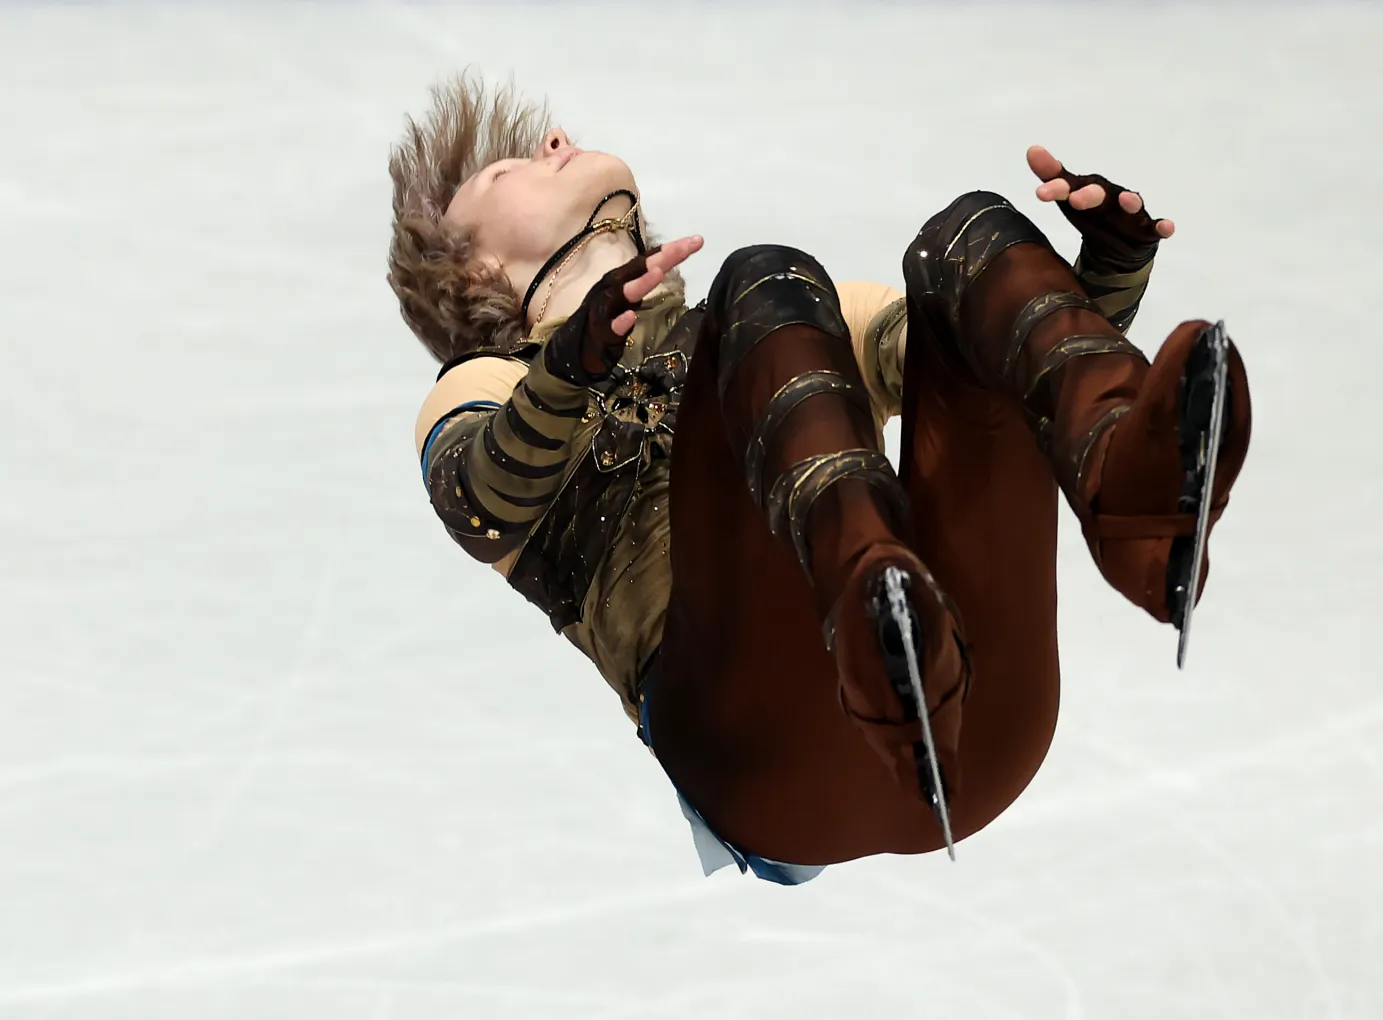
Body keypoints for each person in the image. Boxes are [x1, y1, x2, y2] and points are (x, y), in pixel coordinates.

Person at [389, 73, 1251, 885]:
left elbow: (980, 367)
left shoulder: (773, 327)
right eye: (509, 169)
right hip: (765, 758)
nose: (553, 139)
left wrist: (1098, 277)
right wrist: (570, 363)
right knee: (763, 279)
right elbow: (479, 503)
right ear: (477, 274)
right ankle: (870, 610)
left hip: (972, 713)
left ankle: (1128, 489)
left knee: (967, 237)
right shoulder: (484, 384)